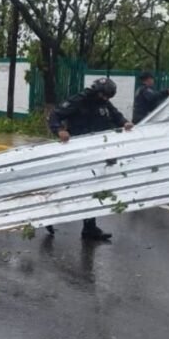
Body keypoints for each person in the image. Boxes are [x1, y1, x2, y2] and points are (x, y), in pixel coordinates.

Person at [47, 77, 134, 240]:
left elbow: (116, 116)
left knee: (93, 189)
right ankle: (49, 216)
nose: (106, 100)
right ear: (97, 92)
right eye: (105, 96)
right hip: (78, 152)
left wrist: (125, 123)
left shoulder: (104, 103)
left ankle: (89, 228)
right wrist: (59, 130)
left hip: (96, 152)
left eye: (109, 97)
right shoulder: (80, 100)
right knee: (69, 188)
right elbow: (55, 115)